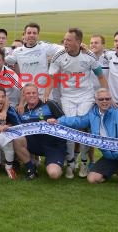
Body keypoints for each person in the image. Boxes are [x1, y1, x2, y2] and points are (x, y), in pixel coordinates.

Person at [50, 88, 118, 190]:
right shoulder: (92, 114)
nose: (104, 101)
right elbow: (77, 121)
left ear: (111, 99)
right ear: (96, 101)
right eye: (101, 99)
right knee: (92, 179)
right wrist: (58, 121)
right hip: (109, 156)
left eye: (107, 99)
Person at [44, 28, 108, 179]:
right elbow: (52, 78)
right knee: (69, 127)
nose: (65, 42)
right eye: (64, 39)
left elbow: (100, 76)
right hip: (67, 97)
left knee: (83, 127)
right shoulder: (58, 56)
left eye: (68, 40)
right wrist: (46, 94)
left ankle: (84, 163)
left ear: (78, 42)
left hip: (86, 96)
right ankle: (70, 164)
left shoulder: (89, 56)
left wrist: (106, 94)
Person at [14, 84, 66, 180]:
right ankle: (31, 169)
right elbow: (15, 127)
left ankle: (56, 162)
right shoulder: (21, 110)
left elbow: (65, 120)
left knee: (54, 174)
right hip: (35, 145)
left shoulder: (49, 104)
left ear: (38, 94)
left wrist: (56, 121)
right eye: (28, 93)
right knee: (17, 139)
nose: (31, 95)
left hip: (54, 146)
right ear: (24, 96)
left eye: (34, 93)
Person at [5, 23, 63, 97]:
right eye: (29, 33)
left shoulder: (44, 46)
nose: (31, 35)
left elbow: (63, 48)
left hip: (44, 95)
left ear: (38, 35)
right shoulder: (18, 51)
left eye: (34, 33)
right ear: (24, 35)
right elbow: (3, 60)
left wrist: (79, 46)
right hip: (27, 95)